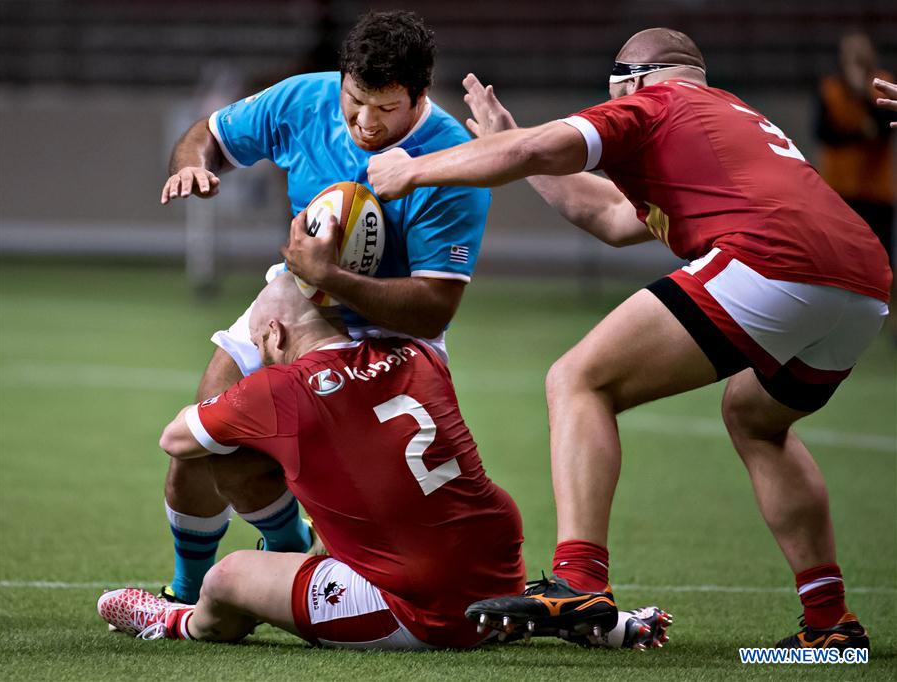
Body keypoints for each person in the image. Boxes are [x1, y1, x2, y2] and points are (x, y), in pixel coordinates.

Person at [368, 27, 891, 650]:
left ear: (634, 80)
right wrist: (509, 140)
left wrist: (415, 169)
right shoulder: (728, 120)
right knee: (756, 419)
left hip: (772, 261)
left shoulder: (654, 102)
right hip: (865, 283)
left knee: (579, 379)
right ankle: (831, 625)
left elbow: (541, 148)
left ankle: (578, 578)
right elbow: (611, 217)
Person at [97, 275, 668, 650]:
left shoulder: (277, 388)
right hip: (497, 563)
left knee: (229, 579)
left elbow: (177, 438)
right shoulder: (415, 351)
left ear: (273, 332)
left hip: (412, 601)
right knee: (372, 515)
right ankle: (586, 620)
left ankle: (172, 620)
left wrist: (243, 387)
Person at [156, 10, 490, 605]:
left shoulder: (453, 161)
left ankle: (286, 555)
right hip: (299, 295)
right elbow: (207, 132)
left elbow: (434, 308)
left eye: (385, 109)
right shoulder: (304, 99)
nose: (364, 122)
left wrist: (330, 274)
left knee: (365, 493)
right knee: (206, 436)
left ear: (419, 95)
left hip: (394, 334)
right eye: (354, 100)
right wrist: (192, 166)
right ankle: (193, 588)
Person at [815, 32, 894, 274]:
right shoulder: (830, 87)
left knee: (880, 256)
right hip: (840, 186)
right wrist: (863, 134)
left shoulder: (884, 83)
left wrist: (863, 95)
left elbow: (885, 130)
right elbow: (823, 133)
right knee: (842, 254)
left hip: (876, 187)